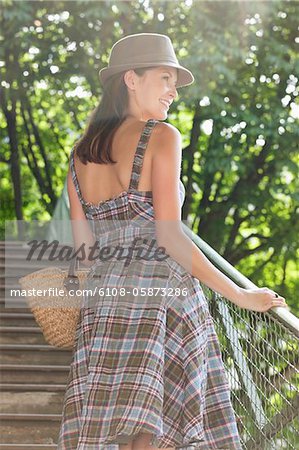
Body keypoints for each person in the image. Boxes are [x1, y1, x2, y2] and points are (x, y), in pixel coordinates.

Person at [57, 33, 287, 450]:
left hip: (105, 304)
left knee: (117, 432)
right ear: (131, 79)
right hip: (161, 299)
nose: (172, 93)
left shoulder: (79, 156)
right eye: (165, 79)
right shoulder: (161, 136)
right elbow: (169, 235)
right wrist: (240, 293)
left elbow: (84, 254)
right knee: (156, 432)